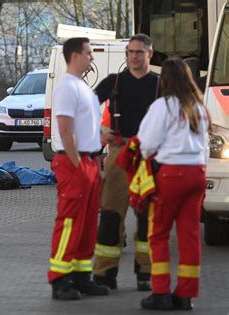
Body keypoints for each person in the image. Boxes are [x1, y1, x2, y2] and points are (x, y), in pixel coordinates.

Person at [138, 57, 210, 311]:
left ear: (165, 79)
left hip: (172, 175)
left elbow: (146, 144)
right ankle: (185, 295)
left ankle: (160, 292)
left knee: (158, 234)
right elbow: (205, 146)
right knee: (189, 236)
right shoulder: (199, 106)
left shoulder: (163, 106)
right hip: (197, 175)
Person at [92, 34, 159, 291]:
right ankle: (104, 273)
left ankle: (146, 273)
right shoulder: (114, 82)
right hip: (119, 151)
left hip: (149, 154)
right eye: (130, 51)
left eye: (139, 52)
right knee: (110, 213)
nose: (133, 56)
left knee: (148, 215)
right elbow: (86, 106)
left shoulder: (159, 85)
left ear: (150, 55)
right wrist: (97, 134)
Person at [48, 37, 110, 301]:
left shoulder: (81, 87)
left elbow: (83, 127)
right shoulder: (66, 88)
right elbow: (64, 129)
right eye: (88, 53)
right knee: (70, 221)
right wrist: (78, 165)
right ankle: (60, 279)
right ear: (75, 55)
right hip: (75, 163)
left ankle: (82, 276)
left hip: (87, 161)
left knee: (86, 223)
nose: (92, 58)